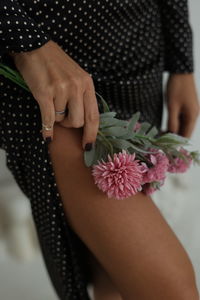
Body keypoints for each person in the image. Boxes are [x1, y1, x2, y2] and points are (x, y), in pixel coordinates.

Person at [0, 0, 199, 299]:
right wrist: (26, 43)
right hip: (41, 68)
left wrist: (182, 66)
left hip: (135, 54)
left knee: (112, 270)